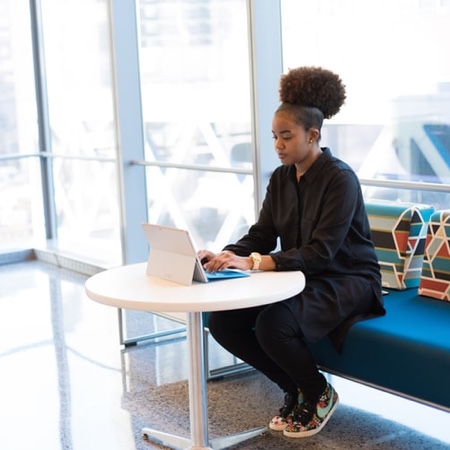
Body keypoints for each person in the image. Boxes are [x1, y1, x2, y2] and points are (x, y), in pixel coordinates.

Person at [198, 66, 386, 438]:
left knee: (273, 324)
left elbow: (323, 252)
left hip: (348, 278)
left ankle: (318, 393)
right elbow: (263, 234)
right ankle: (295, 389)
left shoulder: (340, 179)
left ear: (313, 135)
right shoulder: (281, 178)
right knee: (223, 321)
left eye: (286, 136)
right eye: (274, 137)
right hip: (300, 275)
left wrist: (254, 263)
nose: (278, 145)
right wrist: (223, 255)